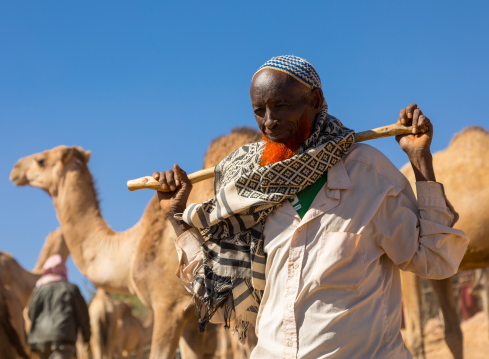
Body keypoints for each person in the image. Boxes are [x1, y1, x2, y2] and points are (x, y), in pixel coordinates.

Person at [154, 55, 469, 358]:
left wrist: (420, 162)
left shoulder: (368, 174)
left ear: (315, 101)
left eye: (280, 106)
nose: (269, 122)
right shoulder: (252, 193)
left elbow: (436, 259)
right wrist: (176, 218)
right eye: (259, 110)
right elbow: (221, 295)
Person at [27, 254, 91, 359]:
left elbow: (31, 314)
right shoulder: (71, 289)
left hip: (39, 341)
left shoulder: (39, 289)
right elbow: (83, 316)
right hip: (63, 341)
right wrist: (86, 337)